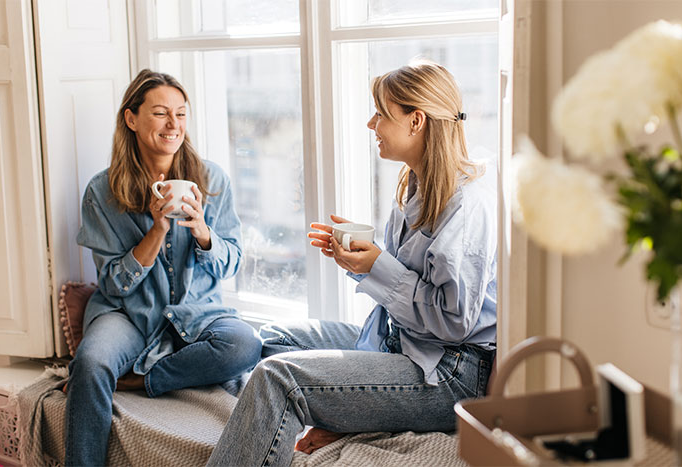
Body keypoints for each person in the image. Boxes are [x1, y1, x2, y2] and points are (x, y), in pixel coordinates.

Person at [206, 59, 497, 467]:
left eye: (381, 114)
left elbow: (455, 322)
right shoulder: (414, 185)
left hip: (449, 372)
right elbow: (408, 283)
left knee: (278, 378)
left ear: (416, 121)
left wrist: (378, 265)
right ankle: (329, 417)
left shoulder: (466, 207)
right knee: (274, 340)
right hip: (405, 343)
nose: (370, 124)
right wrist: (364, 259)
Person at [65, 69, 262, 466]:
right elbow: (112, 284)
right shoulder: (101, 192)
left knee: (245, 344)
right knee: (89, 364)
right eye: (160, 113)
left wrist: (205, 234)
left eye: (181, 114)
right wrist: (156, 231)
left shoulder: (210, 179)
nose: (174, 125)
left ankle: (142, 379)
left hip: (198, 311)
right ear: (131, 119)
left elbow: (233, 261)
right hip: (127, 314)